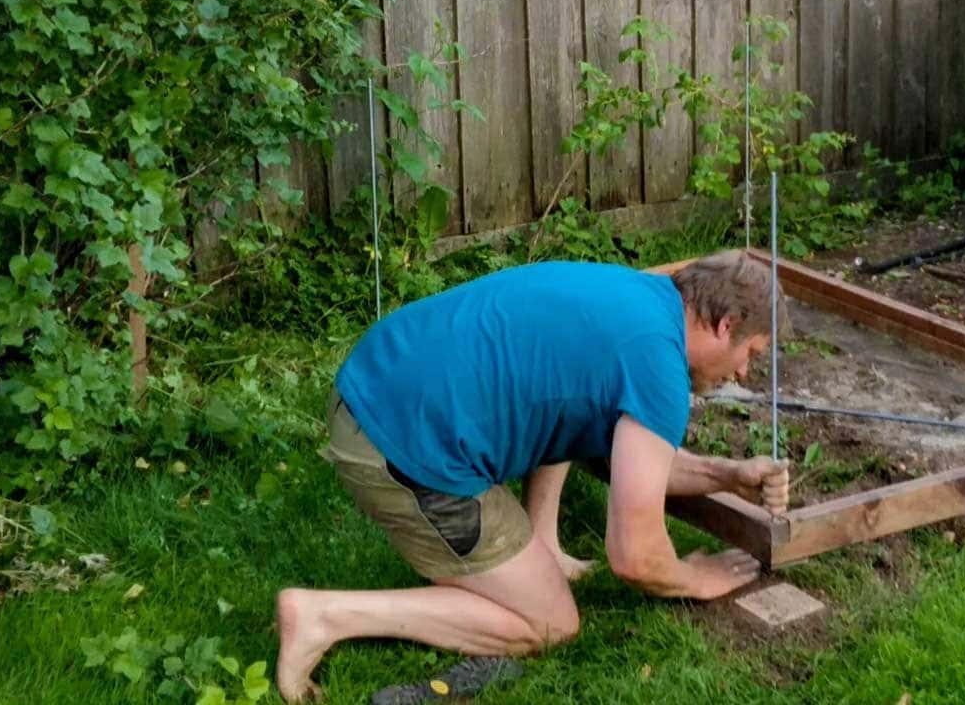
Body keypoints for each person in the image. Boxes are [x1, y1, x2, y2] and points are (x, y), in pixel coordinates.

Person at [274, 250, 790, 702]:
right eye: (752, 354)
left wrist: (727, 474)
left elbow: (630, 457)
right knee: (551, 622)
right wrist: (695, 578)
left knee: (566, 399)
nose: (744, 373)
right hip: (404, 448)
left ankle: (542, 548)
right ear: (726, 325)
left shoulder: (639, 297)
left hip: (378, 380)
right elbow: (635, 557)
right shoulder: (659, 367)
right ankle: (327, 616)